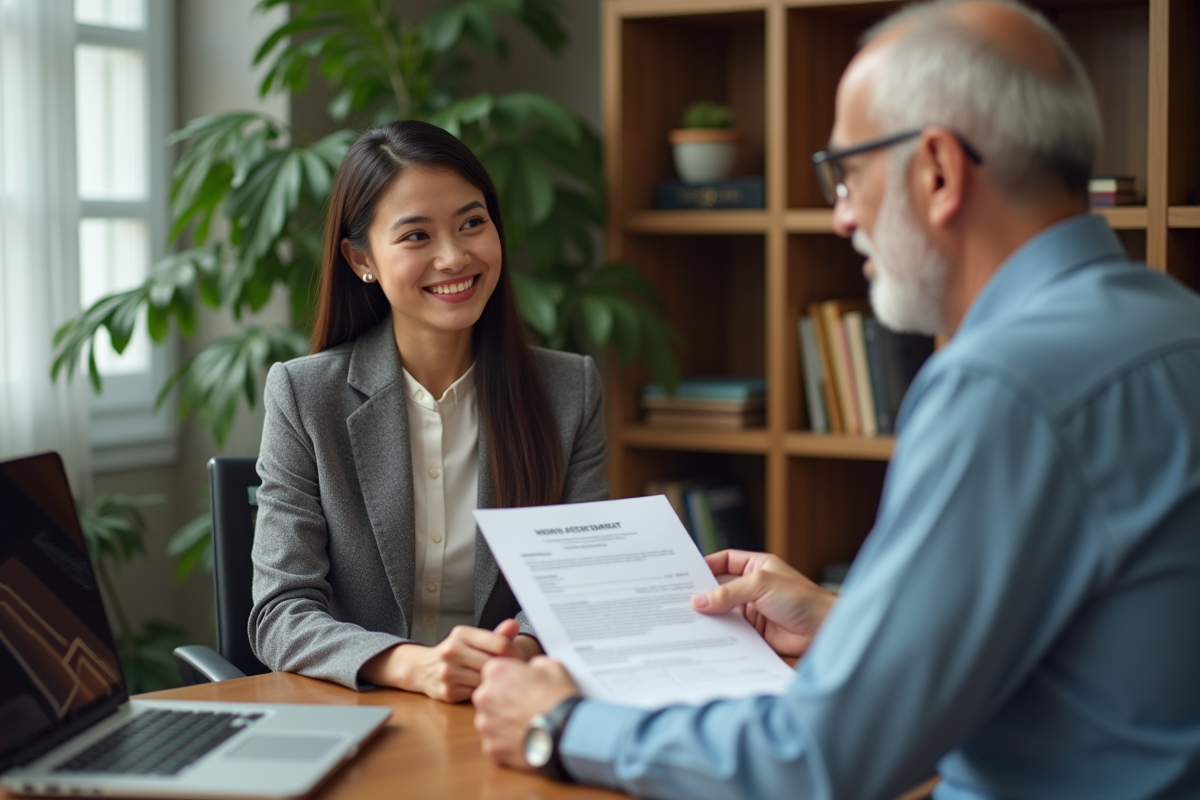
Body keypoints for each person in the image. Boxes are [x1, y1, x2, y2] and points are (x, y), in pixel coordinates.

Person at [471, 1, 1200, 796]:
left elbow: (822, 760)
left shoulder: (1003, 386)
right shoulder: (1176, 325)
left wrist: (561, 724)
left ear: (938, 171)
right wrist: (848, 626)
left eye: (847, 174)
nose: (841, 215)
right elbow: (1094, 652)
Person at [249, 120, 608, 702]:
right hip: (366, 712)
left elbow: (582, 582)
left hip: (513, 703)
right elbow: (281, 612)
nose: (454, 256)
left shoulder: (570, 390)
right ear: (361, 259)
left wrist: (518, 651)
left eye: (472, 223)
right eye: (417, 235)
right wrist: (413, 666)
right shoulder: (304, 395)